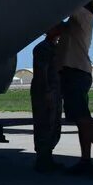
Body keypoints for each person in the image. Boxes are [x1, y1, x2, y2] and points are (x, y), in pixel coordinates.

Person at [57, 0, 93, 177]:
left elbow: (67, 4)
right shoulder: (76, 22)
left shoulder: (84, 15)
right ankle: (85, 160)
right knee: (81, 121)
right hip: (74, 72)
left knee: (84, 119)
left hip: (75, 72)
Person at [30, 25, 64, 172]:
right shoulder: (42, 49)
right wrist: (47, 91)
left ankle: (47, 158)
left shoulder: (54, 48)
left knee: (54, 124)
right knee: (45, 124)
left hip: (54, 92)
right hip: (45, 92)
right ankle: (43, 160)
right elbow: (41, 73)